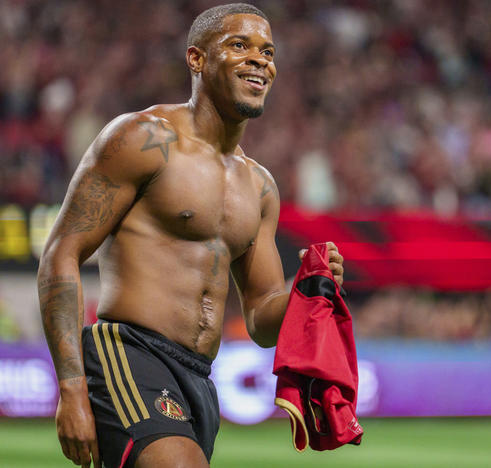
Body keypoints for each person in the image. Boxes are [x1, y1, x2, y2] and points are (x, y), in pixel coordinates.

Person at [38, 4, 344, 468]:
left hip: (198, 378)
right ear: (197, 60)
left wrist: (308, 290)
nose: (260, 60)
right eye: (239, 45)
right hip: (128, 353)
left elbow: (262, 320)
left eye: (268, 51)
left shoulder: (259, 187)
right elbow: (61, 255)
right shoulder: (142, 139)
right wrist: (72, 389)